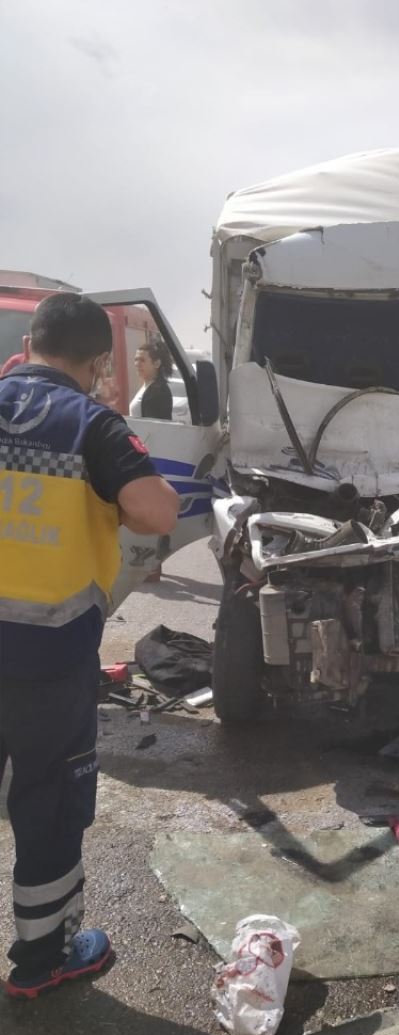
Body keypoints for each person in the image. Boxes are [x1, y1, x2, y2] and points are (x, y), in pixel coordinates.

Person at [0, 293, 179, 997]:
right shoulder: (91, 424)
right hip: (47, 660)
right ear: (100, 362)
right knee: (47, 800)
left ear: (29, 342)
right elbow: (156, 510)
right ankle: (44, 957)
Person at [130, 339, 173, 421]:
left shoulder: (158, 391)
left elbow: (153, 426)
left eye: (142, 360)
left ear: (157, 363)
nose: (137, 364)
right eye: (136, 359)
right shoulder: (148, 387)